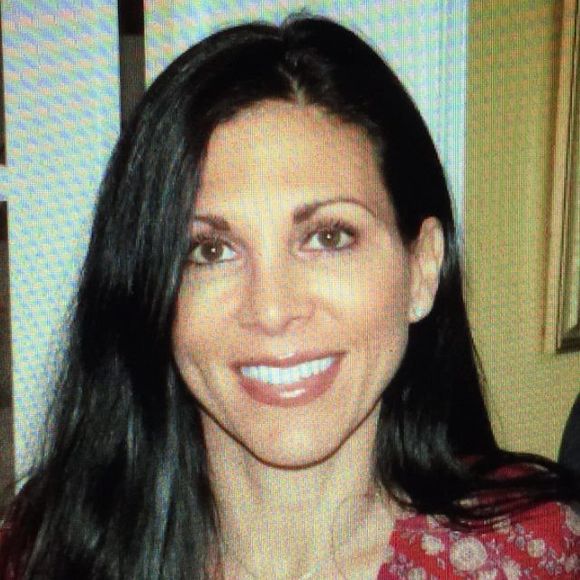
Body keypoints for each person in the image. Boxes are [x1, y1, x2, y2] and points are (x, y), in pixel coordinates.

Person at [0, 15, 578, 579]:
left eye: (329, 237)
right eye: (210, 250)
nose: (272, 309)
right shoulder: (40, 553)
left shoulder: (541, 557)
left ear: (422, 270)